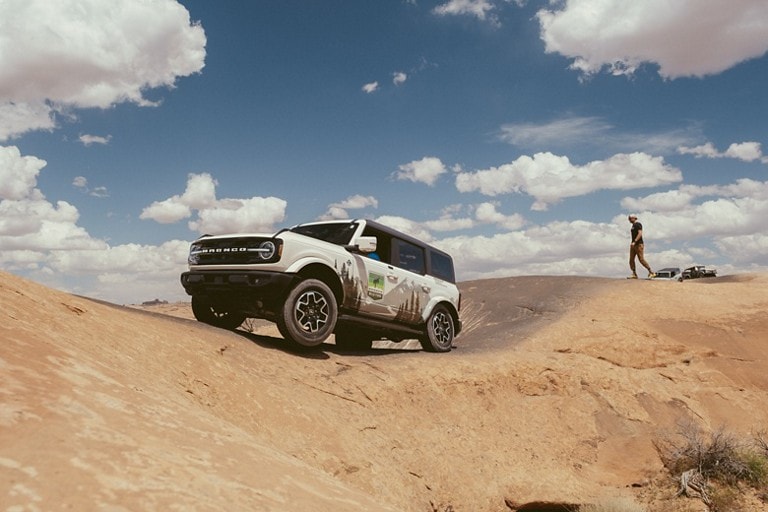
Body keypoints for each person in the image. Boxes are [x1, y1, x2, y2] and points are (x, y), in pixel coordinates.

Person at [627, 214, 655, 279]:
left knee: (641, 259)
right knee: (631, 260)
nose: (629, 220)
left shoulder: (638, 224)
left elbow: (640, 233)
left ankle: (651, 272)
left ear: (634, 218)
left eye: (630, 218)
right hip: (633, 245)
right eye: (629, 218)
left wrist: (635, 241)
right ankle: (634, 274)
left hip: (639, 244)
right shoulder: (633, 226)